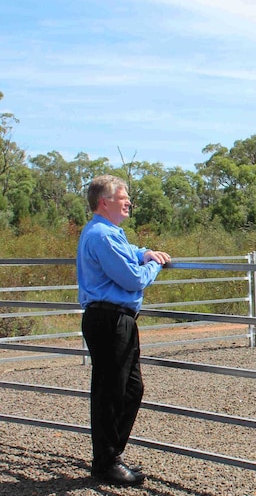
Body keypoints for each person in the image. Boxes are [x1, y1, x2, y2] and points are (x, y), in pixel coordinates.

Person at [77, 175, 171, 486]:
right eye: (122, 196)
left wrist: (144, 251)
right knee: (111, 391)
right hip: (110, 320)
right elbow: (133, 279)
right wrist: (154, 264)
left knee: (129, 389)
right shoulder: (102, 236)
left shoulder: (108, 234)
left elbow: (129, 251)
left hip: (114, 320)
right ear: (104, 202)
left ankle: (110, 456)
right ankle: (106, 462)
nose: (128, 201)